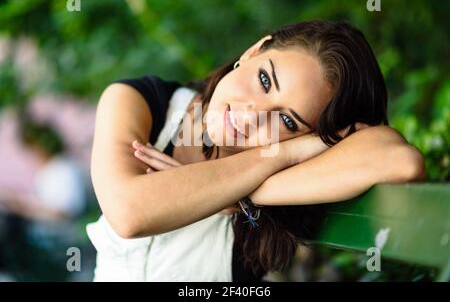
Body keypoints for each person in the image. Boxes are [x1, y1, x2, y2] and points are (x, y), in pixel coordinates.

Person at [87, 21, 425, 281]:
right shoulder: (143, 102)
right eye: (265, 80)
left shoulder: (298, 182)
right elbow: (129, 213)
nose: (251, 115)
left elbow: (400, 161)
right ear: (253, 52)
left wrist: (246, 194)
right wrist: (282, 155)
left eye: (287, 121)